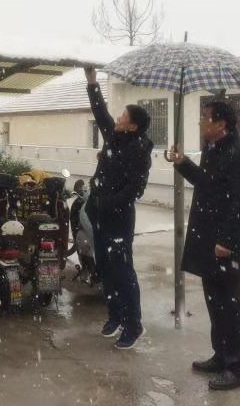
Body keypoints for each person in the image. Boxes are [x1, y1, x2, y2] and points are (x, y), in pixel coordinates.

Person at [169, 100, 240, 391]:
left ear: (221, 124)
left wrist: (228, 241)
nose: (200, 122)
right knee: (215, 303)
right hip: (209, 238)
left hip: (225, 244)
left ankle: (238, 368)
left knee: (230, 306)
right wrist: (182, 162)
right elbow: (206, 183)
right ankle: (222, 356)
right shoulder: (213, 149)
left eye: (205, 118)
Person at [85, 67, 153, 349]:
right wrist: (92, 82)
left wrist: (107, 202)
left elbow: (134, 191)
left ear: (133, 126)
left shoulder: (139, 151)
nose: (118, 118)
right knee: (105, 268)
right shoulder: (114, 137)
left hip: (119, 218)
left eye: (123, 116)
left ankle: (133, 325)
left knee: (123, 272)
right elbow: (101, 113)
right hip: (100, 215)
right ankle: (115, 315)